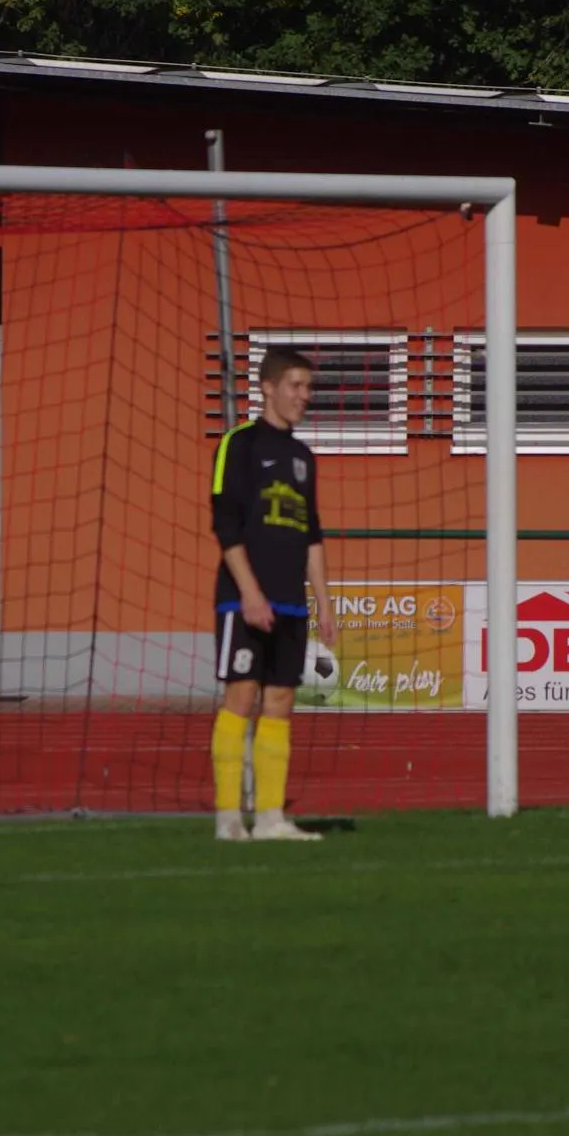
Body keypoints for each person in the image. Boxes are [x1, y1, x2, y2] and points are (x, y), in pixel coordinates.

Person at [208, 348, 337, 842]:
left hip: (290, 601)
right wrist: (250, 593)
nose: (305, 396)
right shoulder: (238, 444)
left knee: (281, 700)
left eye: (308, 387)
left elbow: (312, 535)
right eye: (295, 386)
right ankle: (228, 818)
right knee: (241, 696)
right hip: (243, 599)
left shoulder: (304, 458)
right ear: (267, 387)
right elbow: (224, 524)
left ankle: (269, 819)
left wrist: (323, 603)